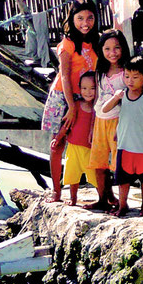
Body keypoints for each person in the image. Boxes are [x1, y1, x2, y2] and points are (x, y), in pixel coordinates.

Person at [40, 0, 99, 202]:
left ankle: (101, 191)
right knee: (58, 143)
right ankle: (56, 191)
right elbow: (64, 75)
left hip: (87, 96)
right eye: (80, 17)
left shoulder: (96, 42)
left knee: (86, 141)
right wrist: (71, 107)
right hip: (63, 97)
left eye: (90, 18)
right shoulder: (68, 43)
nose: (85, 23)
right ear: (71, 18)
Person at [102, 56, 143, 217]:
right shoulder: (122, 94)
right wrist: (115, 97)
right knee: (123, 180)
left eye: (135, 77)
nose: (130, 80)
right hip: (124, 145)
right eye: (127, 76)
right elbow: (104, 109)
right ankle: (123, 206)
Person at [86, 29, 131, 211]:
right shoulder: (100, 71)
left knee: (118, 164)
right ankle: (102, 198)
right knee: (99, 162)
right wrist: (91, 127)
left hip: (119, 121)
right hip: (100, 120)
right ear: (101, 50)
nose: (112, 53)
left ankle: (123, 202)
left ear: (123, 48)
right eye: (107, 49)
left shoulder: (127, 71)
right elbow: (97, 98)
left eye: (116, 48)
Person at [49, 72, 98, 206]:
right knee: (72, 174)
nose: (88, 92)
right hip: (73, 147)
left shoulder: (97, 108)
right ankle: (73, 198)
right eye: (84, 88)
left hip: (89, 148)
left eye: (92, 88)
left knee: (95, 175)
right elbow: (67, 125)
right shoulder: (76, 105)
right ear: (79, 88)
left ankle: (102, 198)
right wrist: (58, 138)